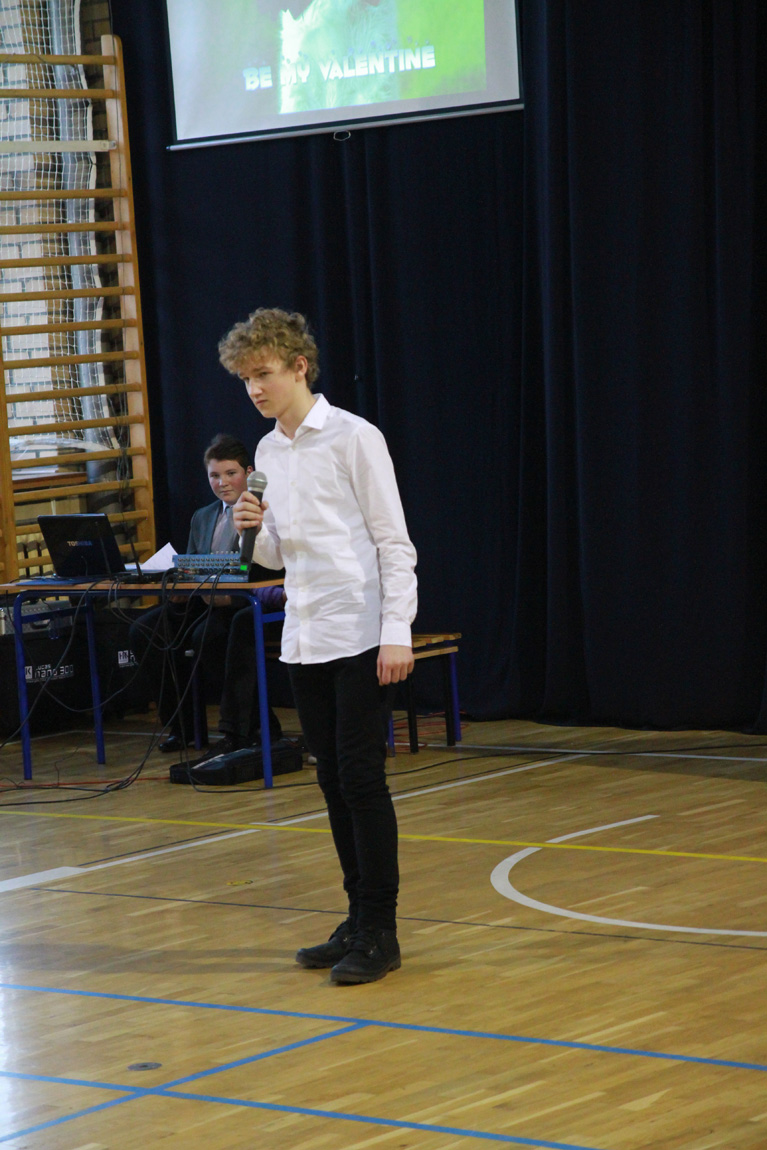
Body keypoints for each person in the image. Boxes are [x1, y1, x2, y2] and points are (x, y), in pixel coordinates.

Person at [219, 307, 417, 985]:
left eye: (263, 373)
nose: (254, 388)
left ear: (299, 366)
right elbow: (276, 556)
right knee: (330, 778)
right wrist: (253, 526)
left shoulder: (355, 438)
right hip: (305, 635)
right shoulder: (268, 451)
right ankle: (356, 918)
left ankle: (381, 930)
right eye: (245, 378)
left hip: (359, 629)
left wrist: (396, 632)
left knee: (361, 779)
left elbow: (393, 543)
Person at [129, 433, 284, 755]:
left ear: (249, 473)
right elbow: (190, 567)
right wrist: (180, 589)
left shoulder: (264, 512)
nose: (222, 483)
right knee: (146, 629)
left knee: (208, 635)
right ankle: (183, 727)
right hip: (205, 600)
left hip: (243, 602)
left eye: (230, 473)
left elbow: (256, 570)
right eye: (214, 475)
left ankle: (249, 727)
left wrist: (210, 578)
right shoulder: (202, 516)